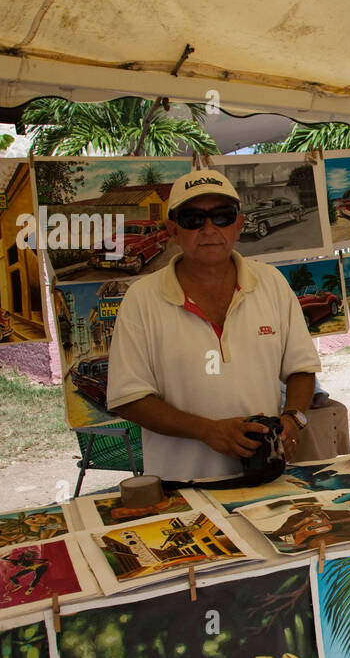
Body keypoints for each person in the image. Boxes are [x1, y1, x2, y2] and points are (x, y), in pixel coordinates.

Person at [106, 169, 321, 482]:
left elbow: (301, 367)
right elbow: (129, 399)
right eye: (193, 218)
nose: (209, 228)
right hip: (182, 486)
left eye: (221, 216)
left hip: (266, 478)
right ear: (173, 230)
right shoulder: (141, 299)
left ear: (238, 224)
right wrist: (207, 431)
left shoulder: (272, 283)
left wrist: (294, 418)